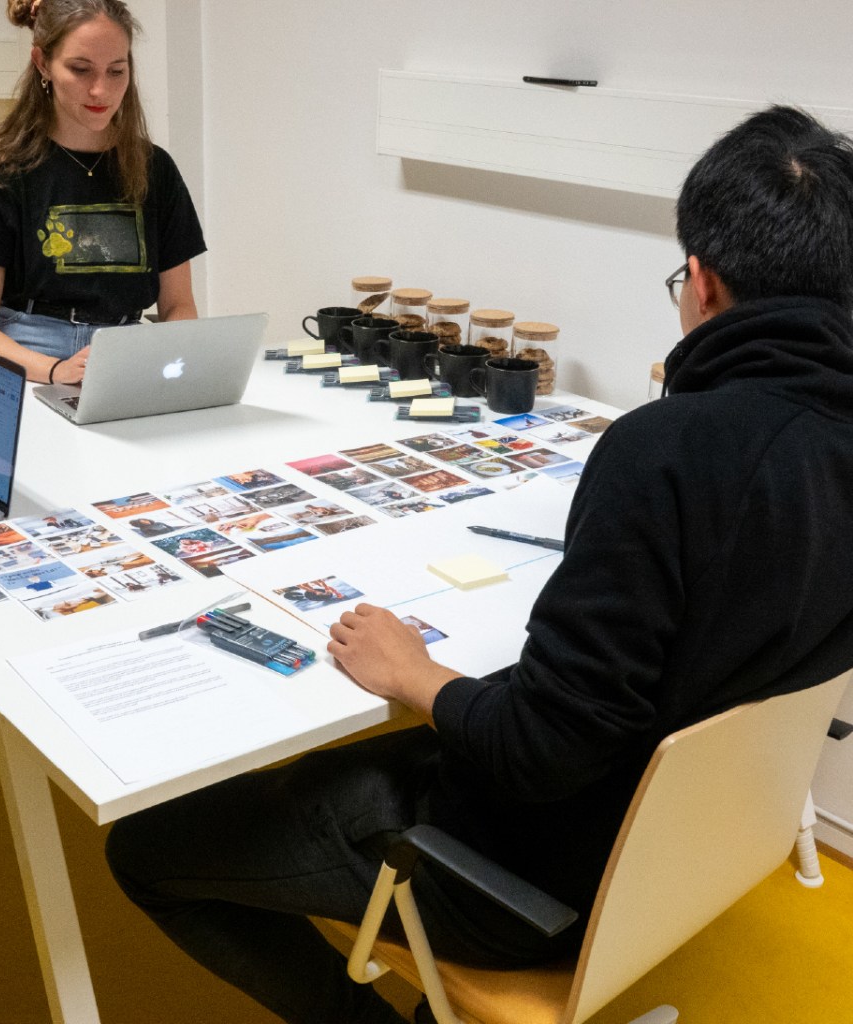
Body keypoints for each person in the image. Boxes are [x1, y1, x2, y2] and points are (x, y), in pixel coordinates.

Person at [105, 105, 853, 1024]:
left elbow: (542, 751)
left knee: (143, 850)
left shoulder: (666, 451)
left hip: (524, 875)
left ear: (700, 281)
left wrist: (415, 675)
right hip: (683, 857)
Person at [0, 0, 206, 385]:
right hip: (28, 355)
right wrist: (55, 371)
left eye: (116, 71)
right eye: (80, 69)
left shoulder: (155, 168)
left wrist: (170, 363)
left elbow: (179, 306)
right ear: (43, 63)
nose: (100, 90)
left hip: (127, 352)